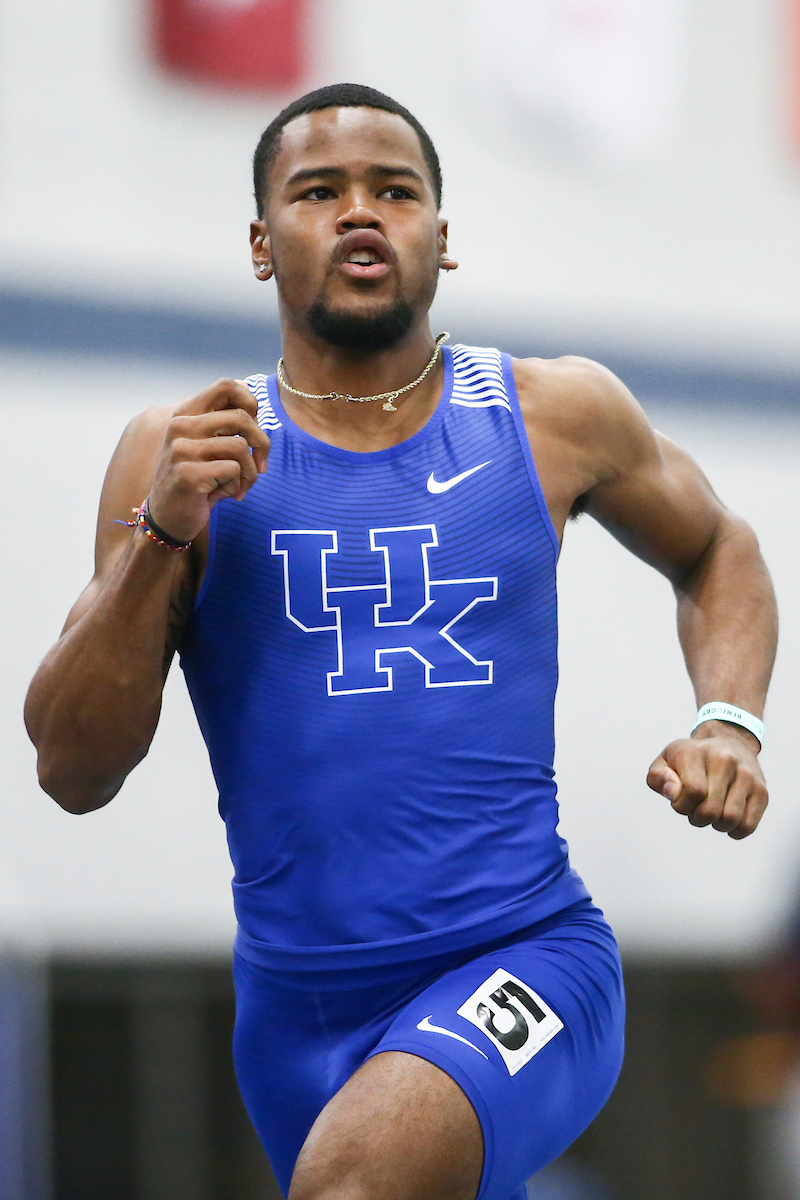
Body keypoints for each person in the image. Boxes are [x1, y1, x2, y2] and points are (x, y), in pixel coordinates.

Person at [25, 83, 776, 1200]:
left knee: (356, 1185)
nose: (361, 213)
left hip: (524, 959)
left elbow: (717, 548)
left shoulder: (548, 413)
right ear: (260, 244)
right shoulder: (180, 453)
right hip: (294, 1019)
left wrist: (729, 721)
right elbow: (73, 769)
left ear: (441, 237)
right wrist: (160, 538)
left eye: (395, 191)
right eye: (319, 192)